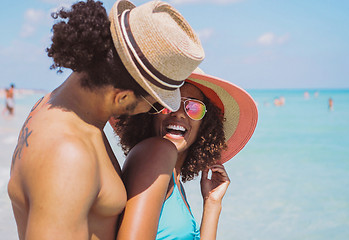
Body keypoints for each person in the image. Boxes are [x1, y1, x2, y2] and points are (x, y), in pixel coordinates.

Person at [7, 0, 204, 239]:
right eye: (154, 104)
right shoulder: (69, 154)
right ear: (122, 98)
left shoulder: (51, 106)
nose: (152, 111)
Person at [112, 69, 258, 239]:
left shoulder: (172, 178)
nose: (179, 113)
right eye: (169, 103)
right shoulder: (154, 153)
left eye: (193, 108)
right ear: (149, 112)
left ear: (205, 125)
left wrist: (212, 203)